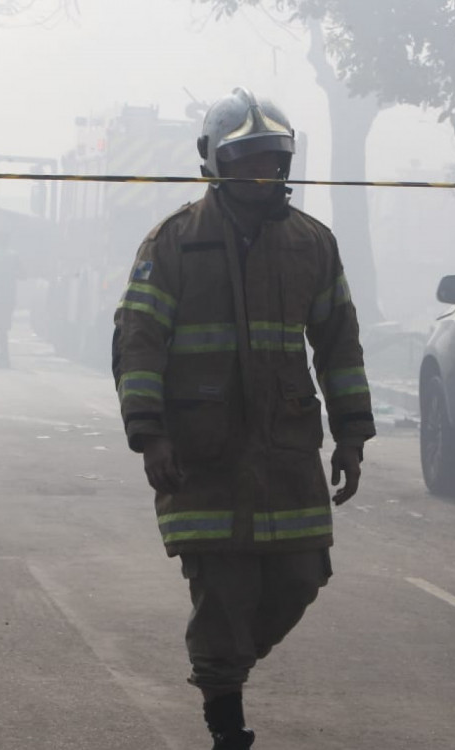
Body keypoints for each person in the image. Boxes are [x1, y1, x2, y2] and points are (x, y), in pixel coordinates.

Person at [112, 87, 374, 749]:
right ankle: (225, 717)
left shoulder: (313, 243)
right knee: (223, 589)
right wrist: (150, 435)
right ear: (215, 163)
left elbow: (338, 340)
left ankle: (223, 671)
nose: (265, 174)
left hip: (286, 449)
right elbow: (138, 337)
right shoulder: (175, 241)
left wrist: (352, 433)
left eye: (274, 159)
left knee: (301, 574)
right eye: (250, 159)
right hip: (204, 454)